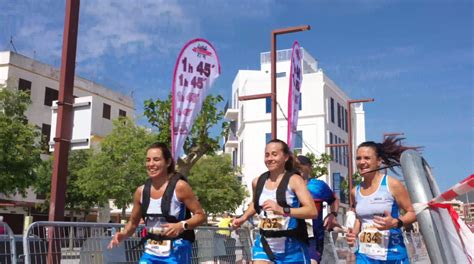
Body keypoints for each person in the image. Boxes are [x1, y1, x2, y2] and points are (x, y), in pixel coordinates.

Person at [108, 142, 206, 263]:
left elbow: (200, 216)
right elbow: (133, 223)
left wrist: (181, 225)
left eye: (156, 159)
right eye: (148, 160)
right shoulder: (141, 191)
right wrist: (122, 234)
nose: (151, 164)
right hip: (150, 252)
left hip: (176, 251)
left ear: (168, 162)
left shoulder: (180, 187)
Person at [232, 139, 317, 263]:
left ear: (286, 157)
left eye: (274, 154)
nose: (270, 158)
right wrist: (243, 218)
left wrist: (282, 210)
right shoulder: (258, 181)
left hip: (292, 247)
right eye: (267, 155)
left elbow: (312, 211)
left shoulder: (294, 180)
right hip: (265, 244)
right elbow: (255, 204)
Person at [346, 137, 417, 263]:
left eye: (367, 158)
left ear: (378, 161)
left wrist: (396, 222)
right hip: (365, 255)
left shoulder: (391, 184)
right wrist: (354, 234)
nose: (362, 162)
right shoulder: (355, 191)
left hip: (392, 254)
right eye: (358, 158)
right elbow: (359, 218)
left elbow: (413, 212)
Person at [297, 155, 340, 264]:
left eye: (302, 164)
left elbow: (334, 199)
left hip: (313, 238)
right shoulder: (287, 186)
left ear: (310, 167)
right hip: (292, 236)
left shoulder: (318, 186)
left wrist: (333, 214)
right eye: (296, 165)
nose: (298, 167)